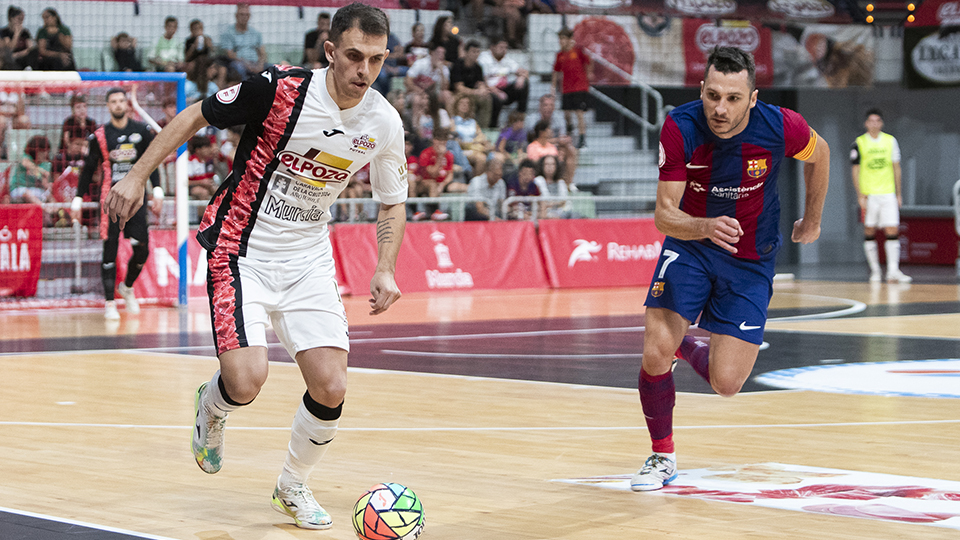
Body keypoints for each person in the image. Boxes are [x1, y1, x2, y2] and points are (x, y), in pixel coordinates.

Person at [103, 3, 407, 530]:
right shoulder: (279, 89)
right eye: (354, 56)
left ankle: (291, 487)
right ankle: (214, 408)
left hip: (308, 256)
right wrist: (136, 176)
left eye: (376, 60)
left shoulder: (382, 120)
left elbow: (392, 201)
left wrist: (385, 267)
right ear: (330, 51)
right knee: (245, 382)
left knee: (332, 386)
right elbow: (197, 113)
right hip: (240, 248)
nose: (364, 70)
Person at [631, 47, 829, 492]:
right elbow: (664, 215)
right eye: (713, 95)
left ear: (753, 98)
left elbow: (821, 155)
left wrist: (813, 220)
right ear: (701, 89)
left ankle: (689, 347)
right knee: (655, 347)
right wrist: (702, 226)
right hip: (691, 244)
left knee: (726, 384)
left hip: (752, 258)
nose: (720, 108)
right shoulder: (681, 125)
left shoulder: (782, 125)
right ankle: (662, 456)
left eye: (733, 98)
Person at [72, 88, 163, 321]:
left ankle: (127, 287)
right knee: (110, 249)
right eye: (113, 101)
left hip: (136, 199)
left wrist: (158, 189)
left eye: (122, 100)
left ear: (127, 104)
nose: (118, 104)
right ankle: (109, 303)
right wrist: (78, 197)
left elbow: (151, 162)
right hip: (109, 200)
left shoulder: (142, 131)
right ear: (107, 105)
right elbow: (88, 169)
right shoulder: (100, 136)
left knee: (142, 248)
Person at [851, 108, 911, 283]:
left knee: (892, 229)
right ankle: (875, 271)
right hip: (869, 194)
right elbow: (855, 170)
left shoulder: (890, 141)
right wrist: (859, 194)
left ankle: (893, 270)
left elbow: (896, 168)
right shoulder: (859, 142)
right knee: (869, 230)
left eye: (878, 120)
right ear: (866, 123)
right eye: (871, 120)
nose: (874, 123)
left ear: (882, 123)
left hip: (888, 192)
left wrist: (898, 193)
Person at [552, 28, 592, 149]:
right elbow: (556, 71)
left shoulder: (578, 51)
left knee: (579, 113)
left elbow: (588, 62)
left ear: (570, 39)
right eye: (560, 39)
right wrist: (553, 87)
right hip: (566, 89)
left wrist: (589, 74)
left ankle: (582, 139)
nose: (561, 41)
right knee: (566, 114)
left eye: (563, 39)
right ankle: (570, 133)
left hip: (580, 87)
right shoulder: (560, 55)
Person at [526, 93, 578, 187]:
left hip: (554, 148)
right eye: (546, 105)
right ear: (540, 106)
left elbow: (563, 138)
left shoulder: (559, 118)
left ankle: (569, 184)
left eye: (551, 105)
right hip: (535, 148)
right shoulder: (531, 119)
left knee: (570, 150)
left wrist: (555, 141)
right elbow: (534, 140)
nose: (548, 108)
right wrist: (555, 140)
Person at [479, 37, 529, 128]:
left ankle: (520, 115)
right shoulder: (484, 59)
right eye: (501, 47)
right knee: (495, 100)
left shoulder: (506, 60)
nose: (504, 50)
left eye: (506, 48)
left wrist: (521, 78)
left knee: (525, 84)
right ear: (492, 47)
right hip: (490, 90)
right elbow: (483, 81)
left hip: (504, 90)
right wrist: (497, 93)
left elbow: (524, 72)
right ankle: (492, 127)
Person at [412, 126, 458, 221]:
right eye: (439, 140)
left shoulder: (449, 155)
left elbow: (450, 174)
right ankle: (435, 211)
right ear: (434, 140)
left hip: (441, 182)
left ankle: (457, 217)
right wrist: (440, 156)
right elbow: (432, 173)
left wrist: (442, 184)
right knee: (432, 184)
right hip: (425, 183)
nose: (441, 144)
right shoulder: (426, 153)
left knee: (459, 186)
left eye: (443, 141)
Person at [450, 39, 493, 129]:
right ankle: (458, 127)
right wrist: (477, 92)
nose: (476, 54)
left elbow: (480, 83)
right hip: (459, 93)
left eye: (478, 52)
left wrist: (482, 90)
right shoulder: (458, 65)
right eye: (473, 51)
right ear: (466, 52)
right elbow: (459, 87)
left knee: (487, 98)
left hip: (473, 93)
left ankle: (482, 129)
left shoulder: (478, 67)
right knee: (463, 100)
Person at [219, 3, 266, 80]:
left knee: (271, 68)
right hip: (239, 62)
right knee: (239, 67)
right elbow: (229, 54)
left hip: (255, 63)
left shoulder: (255, 33)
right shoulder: (228, 33)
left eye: (246, 15)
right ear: (236, 16)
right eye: (242, 14)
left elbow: (262, 53)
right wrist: (246, 64)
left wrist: (260, 65)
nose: (244, 17)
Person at [452, 95, 490, 177]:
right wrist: (473, 142)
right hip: (461, 151)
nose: (465, 105)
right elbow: (456, 141)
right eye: (462, 103)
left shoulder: (473, 122)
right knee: (481, 158)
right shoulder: (453, 121)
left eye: (467, 103)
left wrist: (475, 142)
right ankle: (475, 185)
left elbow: (481, 137)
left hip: (475, 149)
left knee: (494, 157)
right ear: (456, 105)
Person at [9, 134, 51, 204]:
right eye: (43, 151)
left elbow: (45, 183)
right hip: (19, 189)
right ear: (36, 150)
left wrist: (47, 185)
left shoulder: (45, 164)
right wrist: (40, 171)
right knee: (28, 194)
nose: (45, 154)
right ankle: (42, 208)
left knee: (49, 195)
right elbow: (25, 163)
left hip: (36, 190)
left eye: (47, 151)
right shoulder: (26, 157)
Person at [465, 153, 506, 221]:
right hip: (476, 217)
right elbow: (479, 208)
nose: (498, 178)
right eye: (495, 175)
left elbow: (501, 205)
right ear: (488, 172)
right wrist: (495, 219)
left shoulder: (501, 183)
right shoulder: (477, 182)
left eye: (500, 175)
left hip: (493, 213)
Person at [533, 154, 571, 219]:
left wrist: (550, 204)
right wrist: (556, 203)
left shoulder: (561, 182)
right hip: (544, 215)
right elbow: (541, 202)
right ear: (542, 166)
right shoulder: (538, 181)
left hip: (560, 215)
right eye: (547, 164)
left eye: (552, 164)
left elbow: (564, 201)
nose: (549, 167)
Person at [1, 6, 38, 70]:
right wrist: (16, 34)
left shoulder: (25, 32)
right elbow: (10, 48)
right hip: (11, 59)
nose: (21, 22)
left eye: (22, 19)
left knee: (34, 52)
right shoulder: (4, 32)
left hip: (21, 56)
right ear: (11, 19)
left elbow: (30, 48)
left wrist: (18, 54)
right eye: (19, 19)